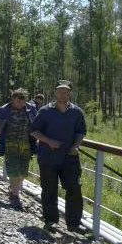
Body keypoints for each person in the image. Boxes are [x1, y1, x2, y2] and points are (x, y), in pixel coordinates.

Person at [30, 80, 87, 233]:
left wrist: (76, 146)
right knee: (49, 189)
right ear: (55, 92)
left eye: (66, 91)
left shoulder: (76, 112)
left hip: (69, 157)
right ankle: (50, 221)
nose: (64, 94)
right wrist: (48, 141)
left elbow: (81, 132)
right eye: (61, 91)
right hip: (48, 157)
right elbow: (34, 130)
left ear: (70, 93)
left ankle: (74, 224)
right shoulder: (45, 111)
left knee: (74, 189)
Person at [0, 88, 38, 209]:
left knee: (23, 172)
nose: (21, 102)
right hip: (10, 144)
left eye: (23, 100)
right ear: (13, 98)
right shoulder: (4, 110)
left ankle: (14, 190)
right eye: (19, 99)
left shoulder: (31, 109)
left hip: (26, 144)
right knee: (13, 170)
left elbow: (37, 123)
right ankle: (15, 195)